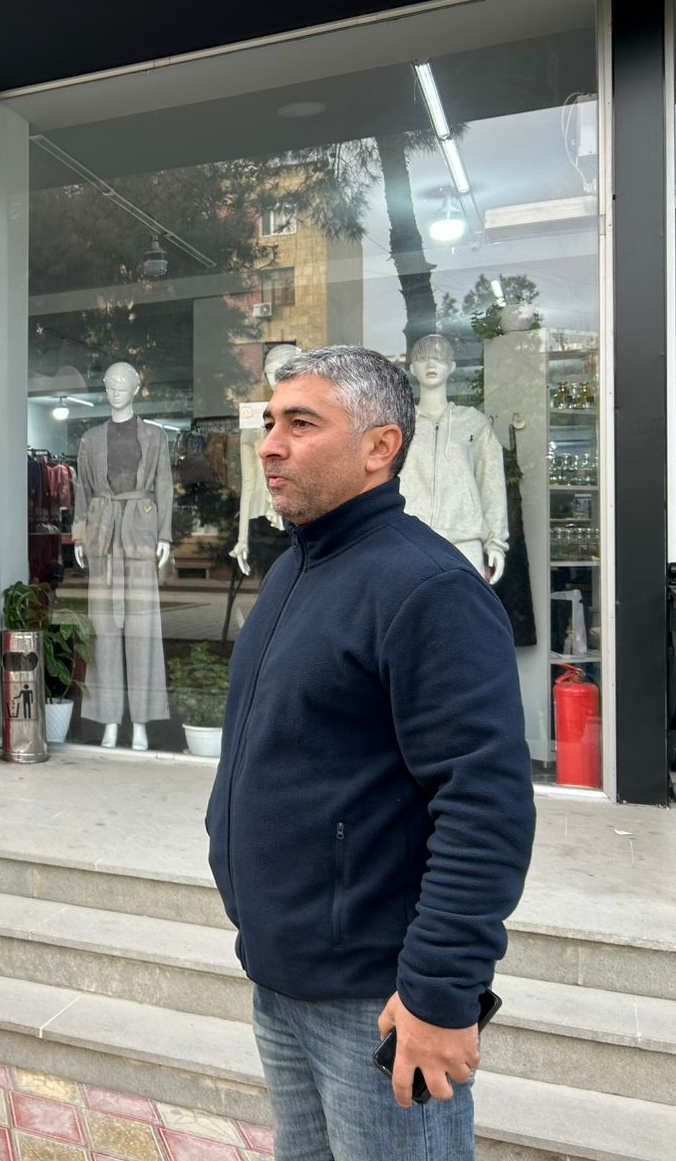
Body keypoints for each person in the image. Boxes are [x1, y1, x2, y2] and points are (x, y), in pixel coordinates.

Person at [204, 345, 534, 1160]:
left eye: (301, 424)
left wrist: (440, 993)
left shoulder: (428, 588)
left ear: (380, 447)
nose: (270, 445)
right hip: (281, 980)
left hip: (378, 1003)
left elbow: (484, 807)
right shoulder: (293, 571)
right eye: (270, 423)